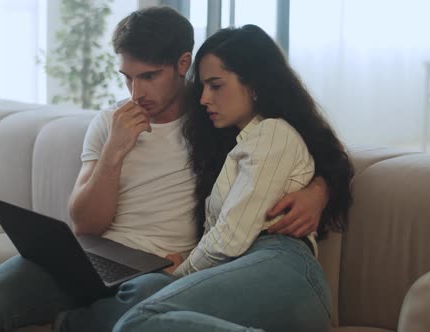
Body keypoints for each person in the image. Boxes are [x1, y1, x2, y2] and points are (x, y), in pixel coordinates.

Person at [0, 7, 331, 332]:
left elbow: (307, 151)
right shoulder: (109, 122)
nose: (136, 93)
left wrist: (318, 191)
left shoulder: (216, 118)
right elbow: (84, 224)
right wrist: (114, 151)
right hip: (90, 255)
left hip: (154, 271)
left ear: (184, 64)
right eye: (127, 78)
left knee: (143, 306)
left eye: (148, 76)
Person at [112, 24, 354, 332]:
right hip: (243, 271)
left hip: (283, 268)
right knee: (142, 300)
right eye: (202, 86)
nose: (202, 99)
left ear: (254, 85)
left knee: (139, 320)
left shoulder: (272, 132)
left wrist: (180, 272)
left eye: (216, 85)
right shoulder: (233, 143)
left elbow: (232, 235)